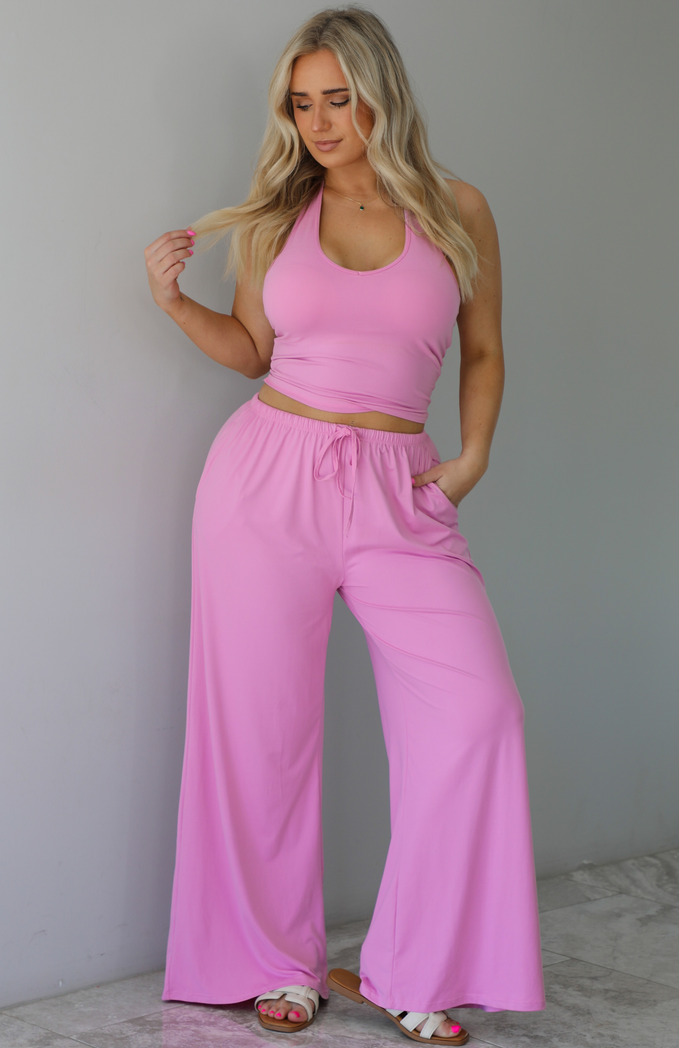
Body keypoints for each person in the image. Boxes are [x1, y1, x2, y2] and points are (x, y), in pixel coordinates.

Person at [144, 6, 545, 1044]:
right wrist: (177, 306)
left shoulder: (459, 208)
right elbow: (250, 347)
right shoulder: (279, 216)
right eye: (302, 102)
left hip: (400, 488)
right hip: (264, 477)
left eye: (339, 97)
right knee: (259, 734)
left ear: (381, 94)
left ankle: (414, 966)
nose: (320, 121)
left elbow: (486, 348)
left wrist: (470, 458)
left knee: (475, 712)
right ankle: (276, 960)